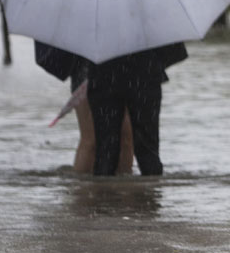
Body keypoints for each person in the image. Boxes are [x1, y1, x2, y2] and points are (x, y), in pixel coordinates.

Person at [87, 43, 187, 176]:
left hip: (104, 75)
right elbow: (171, 48)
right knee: (147, 148)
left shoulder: (95, 26)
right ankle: (151, 192)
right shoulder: (149, 22)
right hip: (143, 74)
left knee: (106, 149)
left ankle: (104, 193)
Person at [35, 42, 133, 174]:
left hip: (123, 61)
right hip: (85, 65)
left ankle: (124, 187)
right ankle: (81, 189)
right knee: (91, 137)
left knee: (125, 135)